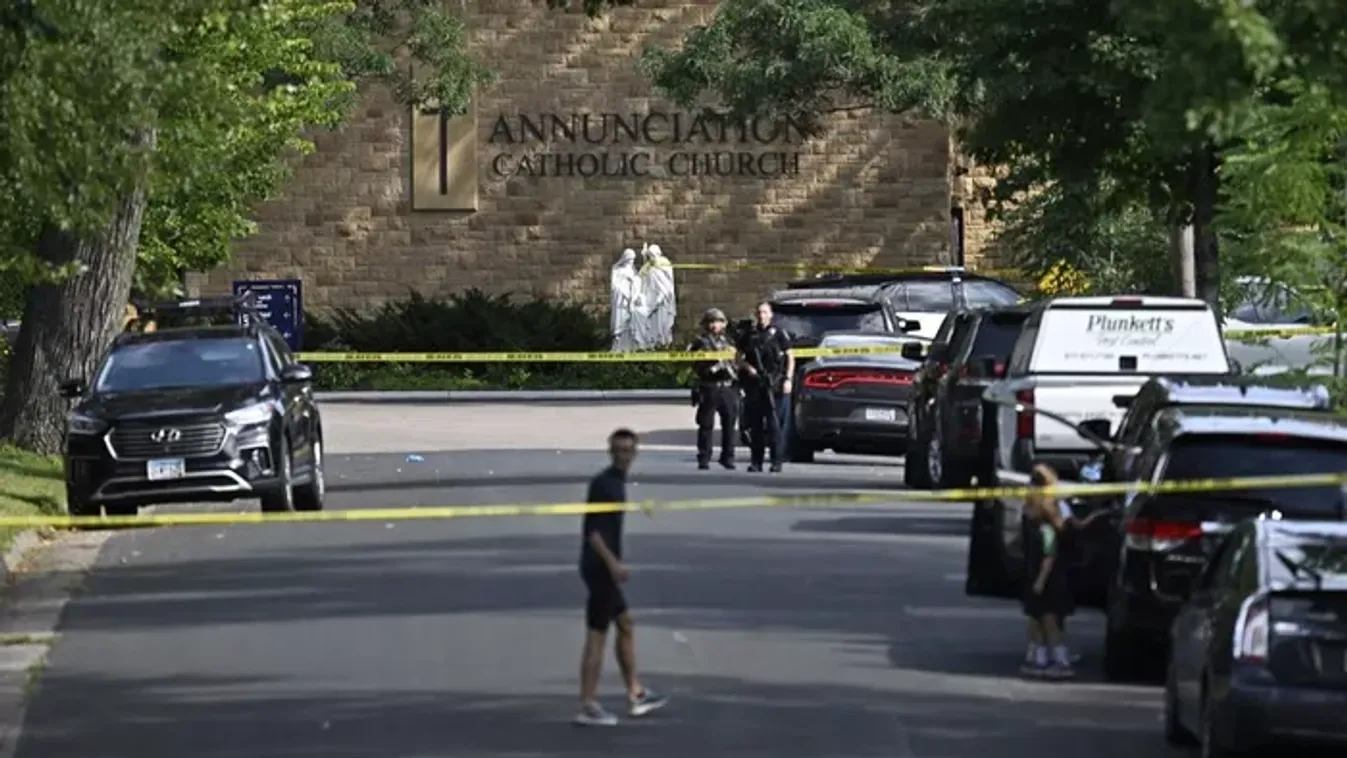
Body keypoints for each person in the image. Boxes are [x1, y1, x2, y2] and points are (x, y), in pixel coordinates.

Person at [575, 428, 668, 726]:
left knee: (625, 624)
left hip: (602, 567)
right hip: (599, 568)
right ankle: (588, 704)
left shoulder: (615, 482)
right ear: (610, 452)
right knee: (597, 635)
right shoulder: (604, 484)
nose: (623, 456)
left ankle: (635, 692)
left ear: (635, 453)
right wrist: (613, 564)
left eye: (628, 451)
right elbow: (593, 532)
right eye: (618, 451)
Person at [1020, 463, 1075, 680]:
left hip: (1048, 581)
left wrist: (1040, 582)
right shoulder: (1043, 519)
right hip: (1038, 577)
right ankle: (1040, 658)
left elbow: (1049, 556)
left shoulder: (1045, 528)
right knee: (1035, 619)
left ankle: (1060, 661)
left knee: (1049, 621)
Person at [736, 301, 794, 472]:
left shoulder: (779, 333)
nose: (761, 316)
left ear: (771, 314)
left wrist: (788, 379)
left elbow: (790, 357)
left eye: (765, 312)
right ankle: (756, 461)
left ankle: (776, 461)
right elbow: (737, 357)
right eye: (759, 312)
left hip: (774, 383)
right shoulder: (749, 335)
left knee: (775, 425)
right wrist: (748, 368)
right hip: (755, 384)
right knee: (756, 425)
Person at [689, 308, 738, 470]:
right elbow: (693, 363)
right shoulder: (700, 342)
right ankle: (704, 457)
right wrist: (711, 363)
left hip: (728, 386)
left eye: (718, 321)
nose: (714, 325)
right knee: (706, 424)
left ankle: (728, 457)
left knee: (729, 424)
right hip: (709, 386)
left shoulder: (729, 341)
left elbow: (739, 361)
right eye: (711, 322)